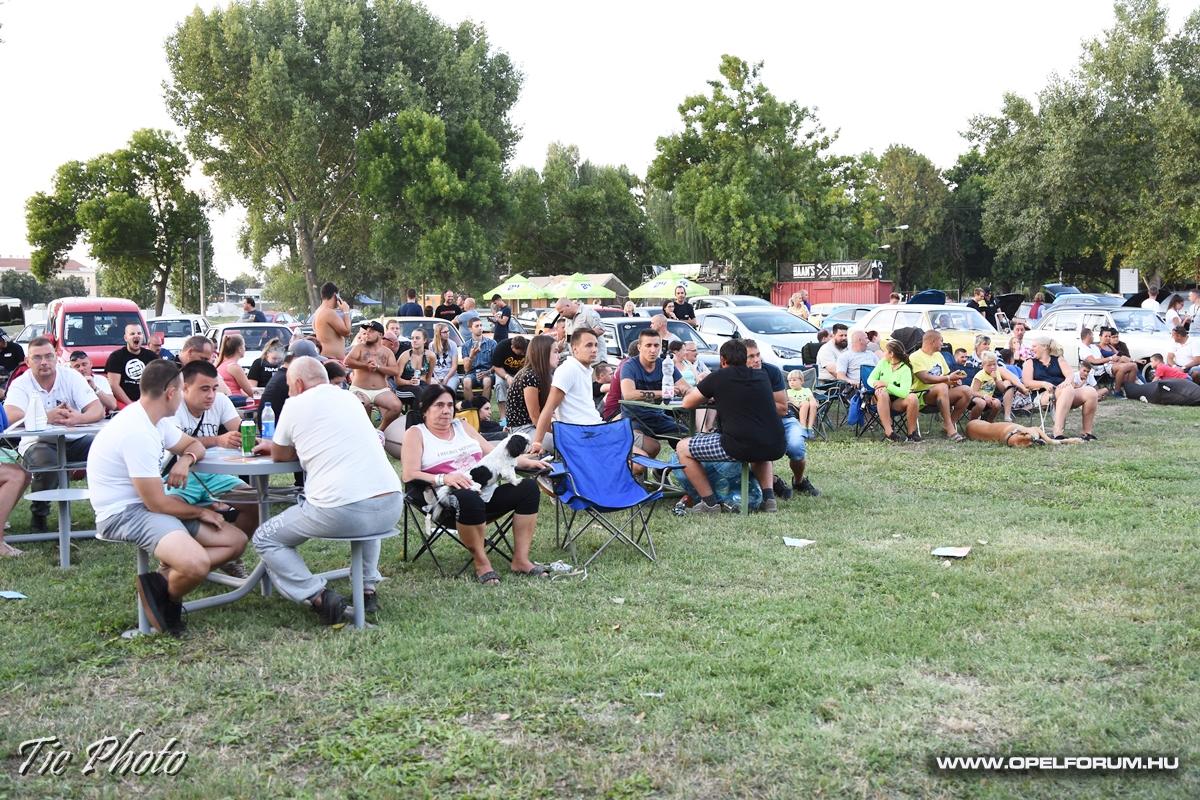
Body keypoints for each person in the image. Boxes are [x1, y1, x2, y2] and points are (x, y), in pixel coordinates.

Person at [89, 359, 247, 636]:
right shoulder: (137, 431)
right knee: (196, 563)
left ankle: (160, 584)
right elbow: (157, 503)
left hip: (148, 507)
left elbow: (193, 444)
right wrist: (201, 512)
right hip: (123, 512)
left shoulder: (155, 420)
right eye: (181, 390)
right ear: (171, 393)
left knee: (236, 541)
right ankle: (167, 599)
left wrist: (185, 460)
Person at [253, 357, 404, 623]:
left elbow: (280, 455)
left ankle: (318, 596)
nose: (289, 391)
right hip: (391, 503)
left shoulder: (295, 403)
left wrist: (273, 447)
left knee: (265, 537)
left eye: (289, 385)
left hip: (340, 509)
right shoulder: (350, 399)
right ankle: (367, 589)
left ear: (299, 384)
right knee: (365, 499)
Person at [402, 384, 548, 584]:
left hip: (485, 490)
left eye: (450, 405)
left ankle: (521, 560)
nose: (446, 410)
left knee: (528, 488)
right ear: (425, 408)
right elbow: (409, 474)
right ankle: (482, 563)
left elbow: (494, 453)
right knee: (468, 497)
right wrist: (445, 478)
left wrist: (526, 462)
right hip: (446, 497)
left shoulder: (461, 426)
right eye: (439, 405)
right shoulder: (416, 433)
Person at [5, 336, 106, 531]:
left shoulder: (71, 377)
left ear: (56, 358)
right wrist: (45, 417)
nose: (44, 362)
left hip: (76, 439)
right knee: (47, 462)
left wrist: (79, 418)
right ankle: (40, 513)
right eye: (37, 357)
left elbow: (97, 409)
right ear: (27, 361)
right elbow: (10, 415)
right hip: (38, 442)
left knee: (105, 452)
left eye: (49, 356)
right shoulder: (21, 383)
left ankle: (106, 512)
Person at [677, 339, 786, 513]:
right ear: (745, 358)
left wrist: (710, 393)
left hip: (739, 445)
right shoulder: (762, 376)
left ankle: (709, 503)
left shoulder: (718, 377)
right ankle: (769, 499)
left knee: (682, 448)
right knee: (758, 443)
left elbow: (687, 403)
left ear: (722, 360)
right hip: (775, 443)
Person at [167, 360, 261, 549]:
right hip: (180, 476)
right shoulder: (173, 407)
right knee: (170, 510)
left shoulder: (221, 400)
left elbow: (240, 431)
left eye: (214, 388)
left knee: (254, 501)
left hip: (215, 476)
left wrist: (250, 439)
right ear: (185, 388)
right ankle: (189, 556)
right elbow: (177, 445)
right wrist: (218, 440)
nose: (211, 395)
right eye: (204, 389)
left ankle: (230, 553)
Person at [746, 340, 819, 497]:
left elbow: (782, 408)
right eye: (751, 356)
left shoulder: (771, 371)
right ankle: (773, 482)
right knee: (759, 449)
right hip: (756, 423)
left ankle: (799, 481)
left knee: (796, 448)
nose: (757, 359)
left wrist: (756, 400)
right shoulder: (736, 375)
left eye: (758, 355)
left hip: (784, 419)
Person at [530, 329, 605, 455]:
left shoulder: (585, 369)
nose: (594, 349)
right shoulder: (568, 369)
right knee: (634, 459)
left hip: (596, 428)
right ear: (575, 349)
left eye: (596, 345)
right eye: (589, 345)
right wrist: (537, 442)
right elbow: (549, 408)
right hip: (582, 435)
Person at [618, 328, 689, 457]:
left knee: (688, 438)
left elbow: (686, 387)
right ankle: (640, 467)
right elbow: (628, 394)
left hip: (658, 417)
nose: (653, 350)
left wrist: (693, 392)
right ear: (639, 347)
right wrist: (663, 393)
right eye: (648, 345)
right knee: (653, 447)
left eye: (656, 345)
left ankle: (677, 466)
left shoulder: (665, 364)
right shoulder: (629, 366)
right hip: (635, 419)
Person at [1022, 337, 1098, 440]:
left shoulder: (1059, 360)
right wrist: (1043, 384)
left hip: (1065, 392)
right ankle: (1057, 432)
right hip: (1043, 395)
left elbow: (1070, 374)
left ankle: (1087, 432)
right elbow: (1027, 382)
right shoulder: (1030, 362)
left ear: (1044, 347)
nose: (1031, 349)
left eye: (1034, 346)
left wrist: (1067, 381)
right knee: (1067, 389)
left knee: (1091, 392)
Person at [909, 330, 971, 442]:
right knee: (942, 386)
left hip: (943, 393)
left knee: (967, 391)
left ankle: (948, 424)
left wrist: (953, 381)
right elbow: (925, 378)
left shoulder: (938, 355)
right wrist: (948, 378)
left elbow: (945, 376)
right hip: (922, 395)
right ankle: (950, 429)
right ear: (933, 341)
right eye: (941, 341)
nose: (942, 344)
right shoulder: (915, 356)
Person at [345, 320, 403, 430]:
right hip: (360, 389)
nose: (367, 334)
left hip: (381, 390)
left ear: (380, 335)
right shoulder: (359, 347)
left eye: (371, 331)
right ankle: (366, 430)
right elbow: (347, 362)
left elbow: (395, 371)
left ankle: (380, 431)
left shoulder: (387, 352)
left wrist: (378, 367)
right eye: (366, 331)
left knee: (396, 406)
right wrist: (365, 365)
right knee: (362, 404)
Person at [506, 335, 557, 448]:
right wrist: (555, 434)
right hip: (523, 430)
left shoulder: (543, 375)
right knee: (562, 443)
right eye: (555, 352)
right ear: (543, 353)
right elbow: (535, 416)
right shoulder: (530, 376)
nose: (559, 356)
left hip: (535, 426)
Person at [866, 339, 919, 442]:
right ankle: (889, 432)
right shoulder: (883, 363)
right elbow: (870, 379)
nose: (883, 353)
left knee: (913, 397)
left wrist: (886, 384)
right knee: (882, 392)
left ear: (891, 354)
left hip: (897, 401)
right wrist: (877, 385)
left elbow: (904, 392)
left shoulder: (905, 369)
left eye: (885, 351)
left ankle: (912, 433)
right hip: (880, 399)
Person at [105, 323, 157, 407]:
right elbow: (114, 385)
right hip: (124, 404)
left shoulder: (152, 356)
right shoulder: (116, 357)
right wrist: (131, 405)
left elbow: (158, 382)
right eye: (132, 334)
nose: (136, 336)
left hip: (148, 402)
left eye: (139, 333)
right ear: (125, 338)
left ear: (143, 336)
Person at [971, 350, 1028, 422]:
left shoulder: (996, 373)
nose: (992, 367)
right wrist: (984, 396)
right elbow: (973, 392)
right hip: (976, 398)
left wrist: (996, 379)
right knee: (981, 403)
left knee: (997, 403)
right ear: (983, 365)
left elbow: (1002, 389)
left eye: (994, 364)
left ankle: (989, 421)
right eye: (989, 365)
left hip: (989, 398)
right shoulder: (980, 376)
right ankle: (973, 421)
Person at [490, 334, 527, 421]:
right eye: (520, 352)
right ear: (512, 347)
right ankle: (503, 418)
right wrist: (507, 377)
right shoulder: (501, 347)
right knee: (500, 384)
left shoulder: (529, 346)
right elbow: (496, 367)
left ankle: (522, 415)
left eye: (524, 352)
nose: (523, 354)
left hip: (522, 372)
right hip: (504, 372)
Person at [313, 282, 352, 361]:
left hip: (326, 357)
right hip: (332, 359)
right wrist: (346, 311)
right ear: (335, 295)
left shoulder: (318, 311)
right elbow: (347, 332)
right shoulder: (328, 312)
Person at [462, 317, 498, 402]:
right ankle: (471, 408)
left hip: (487, 372)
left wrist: (488, 372)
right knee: (466, 381)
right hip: (472, 373)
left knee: (487, 381)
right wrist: (471, 357)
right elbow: (466, 369)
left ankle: (484, 406)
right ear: (470, 329)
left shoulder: (492, 343)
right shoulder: (466, 345)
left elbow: (496, 364)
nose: (480, 328)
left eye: (481, 325)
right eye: (477, 326)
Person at [215, 334, 256, 401]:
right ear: (239, 349)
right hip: (235, 401)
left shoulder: (222, 364)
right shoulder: (234, 367)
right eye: (244, 346)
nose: (245, 349)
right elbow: (250, 392)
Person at [431, 323, 462, 391]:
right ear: (438, 334)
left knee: (449, 390)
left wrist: (446, 378)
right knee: (434, 391)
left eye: (448, 331)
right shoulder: (431, 345)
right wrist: (436, 378)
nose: (447, 333)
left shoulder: (452, 344)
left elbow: (454, 366)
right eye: (445, 332)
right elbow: (431, 365)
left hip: (450, 375)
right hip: (436, 375)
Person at [786, 369, 817, 435]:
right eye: (789, 380)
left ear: (802, 381)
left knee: (812, 403)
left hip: (810, 409)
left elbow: (811, 398)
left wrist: (813, 402)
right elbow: (790, 401)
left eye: (794, 380)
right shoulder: (788, 392)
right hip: (795, 409)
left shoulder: (807, 390)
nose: (791, 382)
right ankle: (803, 427)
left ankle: (810, 427)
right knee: (805, 403)